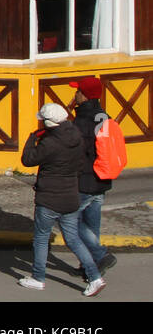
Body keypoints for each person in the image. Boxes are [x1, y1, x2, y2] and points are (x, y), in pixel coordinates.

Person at [19, 102, 106, 296]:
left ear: (48, 124)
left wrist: (31, 139)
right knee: (74, 239)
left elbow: (28, 159)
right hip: (71, 197)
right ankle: (95, 277)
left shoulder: (49, 143)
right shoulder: (76, 136)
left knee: (41, 239)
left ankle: (38, 278)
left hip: (49, 199)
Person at [69, 76, 118, 278]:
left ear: (84, 95)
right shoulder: (103, 115)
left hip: (85, 180)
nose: (75, 94)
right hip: (102, 179)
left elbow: (77, 151)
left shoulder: (82, 121)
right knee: (92, 225)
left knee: (70, 222)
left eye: (77, 91)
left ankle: (100, 255)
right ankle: (89, 266)